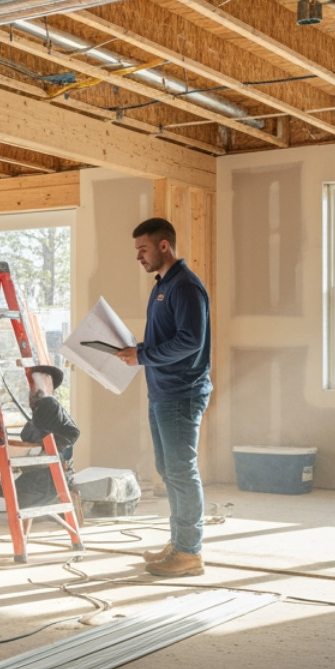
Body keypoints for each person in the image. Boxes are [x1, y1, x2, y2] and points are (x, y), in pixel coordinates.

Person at [112, 217, 212, 577]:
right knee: (169, 470)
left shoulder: (184, 286)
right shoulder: (163, 286)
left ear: (163, 246)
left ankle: (189, 553)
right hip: (162, 391)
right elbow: (166, 339)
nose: (139, 256)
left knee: (182, 472)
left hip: (181, 392)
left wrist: (141, 356)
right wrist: (137, 350)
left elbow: (190, 341)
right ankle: (180, 542)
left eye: (143, 249)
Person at [7, 365, 81, 516]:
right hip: (47, 471)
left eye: (36, 385)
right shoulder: (45, 406)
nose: (31, 391)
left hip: (47, 477)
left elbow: (43, 439)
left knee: (18, 494)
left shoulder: (48, 404)